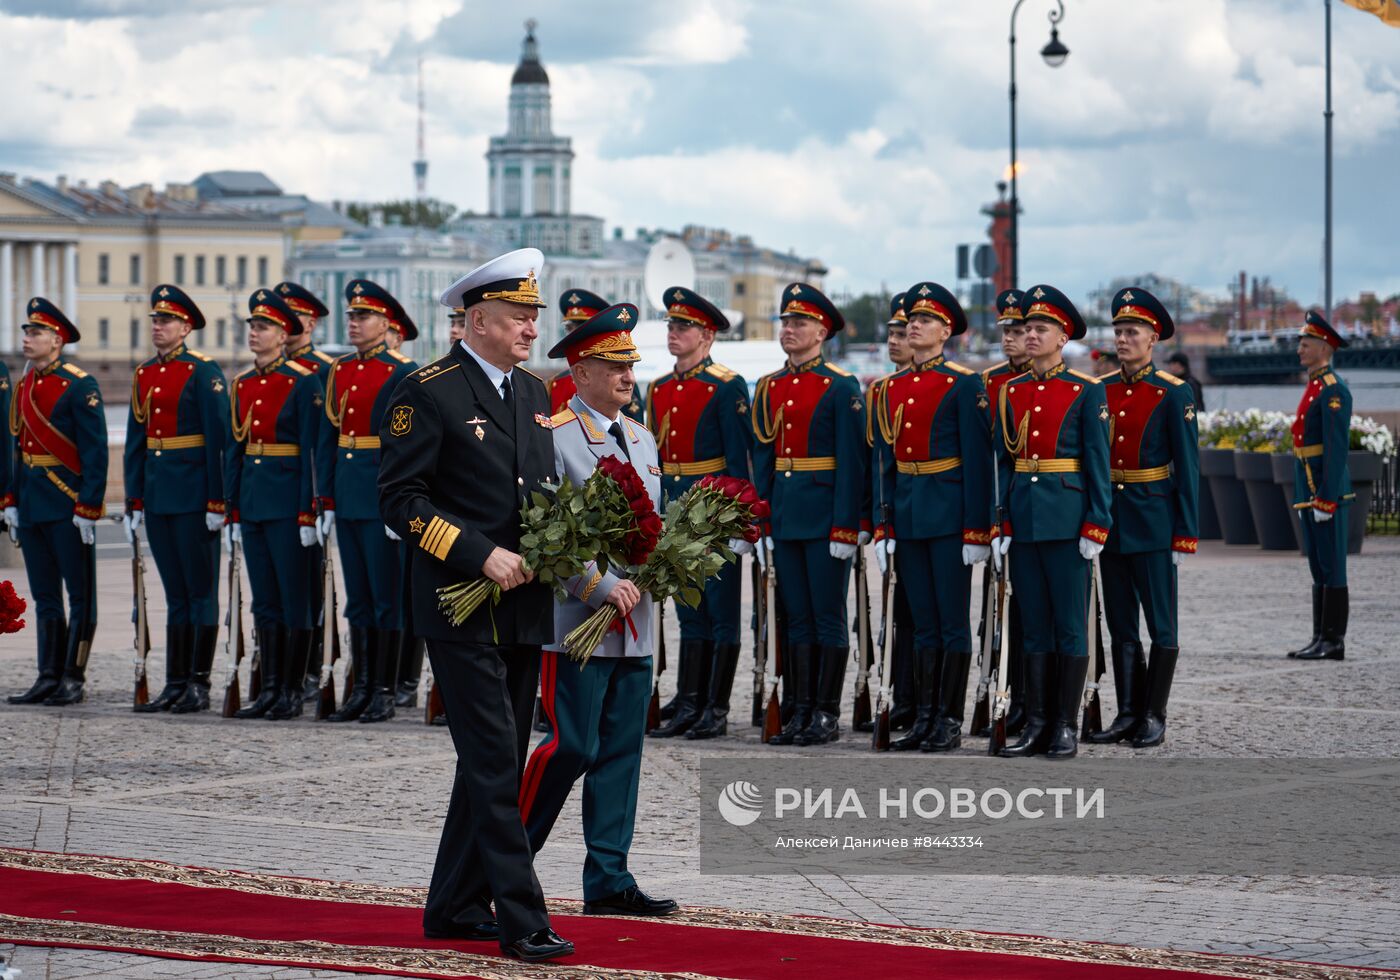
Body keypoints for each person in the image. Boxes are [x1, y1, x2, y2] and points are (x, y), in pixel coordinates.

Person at [378, 248, 571, 963]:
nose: (530, 329)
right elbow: (401, 501)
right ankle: (521, 918)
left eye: (532, 316)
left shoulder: (531, 393)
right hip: (459, 604)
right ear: (478, 320)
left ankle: (455, 906)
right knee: (494, 761)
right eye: (520, 317)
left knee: (495, 758)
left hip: (523, 603)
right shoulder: (427, 390)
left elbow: (538, 497)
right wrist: (475, 552)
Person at [519, 302, 677, 918]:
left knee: (620, 754)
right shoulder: (555, 435)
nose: (627, 377)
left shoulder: (640, 437)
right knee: (571, 747)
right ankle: (505, 862)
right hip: (578, 621)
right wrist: (595, 583)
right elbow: (542, 527)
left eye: (630, 366)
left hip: (635, 625)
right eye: (613, 366)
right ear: (580, 372)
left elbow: (650, 526)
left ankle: (609, 880)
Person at [871, 283, 993, 752]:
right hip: (910, 512)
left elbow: (977, 461)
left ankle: (948, 719)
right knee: (921, 623)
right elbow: (887, 465)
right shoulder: (892, 387)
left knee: (951, 622)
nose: (913, 326)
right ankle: (923, 716)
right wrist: (885, 527)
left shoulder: (963, 383)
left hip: (948, 514)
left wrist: (976, 529)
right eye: (911, 320)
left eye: (925, 321)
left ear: (946, 332)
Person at [991, 285, 1111, 760]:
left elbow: (1097, 463)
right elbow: (1004, 462)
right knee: (1034, 627)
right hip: (1024, 520)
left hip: (1067, 520)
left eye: (1042, 329)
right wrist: (999, 523)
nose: (1032, 335)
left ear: (1063, 338)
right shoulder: (1011, 392)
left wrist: (1096, 524)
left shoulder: (1085, 391)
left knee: (1069, 627)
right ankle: (1037, 723)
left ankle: (1065, 724)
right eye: (1028, 328)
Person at [752, 282, 866, 746]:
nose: (789, 330)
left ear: (822, 331)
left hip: (824, 517)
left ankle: (825, 711)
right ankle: (798, 708)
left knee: (827, 616)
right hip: (785, 513)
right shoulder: (769, 386)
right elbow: (762, 461)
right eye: (785, 322)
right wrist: (758, 520)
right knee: (794, 616)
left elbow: (852, 464)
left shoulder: (840, 387)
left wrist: (846, 525)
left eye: (799, 323)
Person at [1089, 287, 1198, 748]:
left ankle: (1155, 713)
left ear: (1153, 338)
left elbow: (1188, 467)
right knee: (1120, 624)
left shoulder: (1173, 393)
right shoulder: (1103, 389)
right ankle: (1128, 711)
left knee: (1161, 623)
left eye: (1131, 331)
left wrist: (1185, 532)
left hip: (1153, 517)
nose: (1122, 338)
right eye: (1117, 330)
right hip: (1112, 520)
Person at [644, 286, 751, 740]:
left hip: (714, 509)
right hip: (676, 510)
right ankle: (689, 700)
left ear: (707, 336)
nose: (674, 333)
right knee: (689, 611)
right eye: (671, 325)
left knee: (720, 611)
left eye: (683, 327)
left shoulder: (726, 386)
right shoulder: (660, 387)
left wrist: (741, 521)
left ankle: (715, 706)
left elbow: (739, 459)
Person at [125, 285, 230, 714]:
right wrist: (134, 499)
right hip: (158, 496)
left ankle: (199, 682)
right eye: (154, 320)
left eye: (165, 321)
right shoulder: (145, 373)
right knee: (174, 594)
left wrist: (216, 501)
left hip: (193, 497)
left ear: (186, 327)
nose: (157, 327)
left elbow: (218, 441)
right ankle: (175, 681)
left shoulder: (203, 372)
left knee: (199, 592)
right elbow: (137, 441)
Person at [320, 281, 418, 723]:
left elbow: (406, 444)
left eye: (363, 317)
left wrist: (398, 502)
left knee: (386, 599)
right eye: (352, 317)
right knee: (356, 598)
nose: (354, 324)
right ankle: (359, 688)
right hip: (346, 494)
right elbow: (328, 438)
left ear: (386, 323)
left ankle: (384, 688)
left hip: (380, 499)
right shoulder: (339, 370)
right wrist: (323, 500)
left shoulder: (402, 370)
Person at [5, 298, 106, 706]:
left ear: (57, 340)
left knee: (80, 596)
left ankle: (73, 675)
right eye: (27, 332)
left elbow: (95, 452)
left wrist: (89, 505)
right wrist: (10, 498)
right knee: (45, 595)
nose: (27, 339)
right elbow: (17, 446)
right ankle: (47, 674)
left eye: (36, 333)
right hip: (32, 504)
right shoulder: (26, 384)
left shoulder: (80, 384)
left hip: (67, 504)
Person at [227, 289, 322, 721]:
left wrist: (308, 511)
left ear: (284, 334)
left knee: (294, 599)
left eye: (262, 327)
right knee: (263, 600)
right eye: (251, 326)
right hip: (253, 502)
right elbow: (236, 451)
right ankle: (268, 689)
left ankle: (290, 689)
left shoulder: (303, 381)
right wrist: (230, 508)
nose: (254, 333)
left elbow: (311, 453)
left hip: (288, 505)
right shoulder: (243, 384)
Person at [276, 281, 337, 703]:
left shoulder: (322, 370)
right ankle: (279, 668)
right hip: (277, 493)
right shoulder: (270, 369)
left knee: (313, 586)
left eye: (293, 317)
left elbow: (321, 444)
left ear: (310, 322)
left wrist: (318, 502)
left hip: (309, 493)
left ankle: (315, 664)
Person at [977, 289, 1031, 737]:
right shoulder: (991, 382)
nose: (1010, 340)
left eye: (1018, 331)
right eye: (1007, 332)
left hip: (1033, 508)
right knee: (996, 612)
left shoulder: (1041, 382)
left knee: (1031, 614)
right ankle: (1003, 696)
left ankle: (1033, 701)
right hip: (998, 508)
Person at [1286, 311, 1352, 662]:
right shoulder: (1314, 386)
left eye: (1306, 343)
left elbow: (1335, 447)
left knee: (1333, 565)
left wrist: (1326, 497)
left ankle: (1333, 640)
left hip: (1326, 490)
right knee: (1318, 565)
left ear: (1324, 347)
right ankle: (1319, 636)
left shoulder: (1332, 390)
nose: (1300, 349)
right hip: (1309, 487)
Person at [870, 294, 915, 730]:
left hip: (927, 516)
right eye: (893, 333)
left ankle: (920, 702)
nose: (896, 341)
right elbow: (879, 468)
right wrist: (879, 523)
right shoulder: (883, 391)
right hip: (899, 516)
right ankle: (903, 700)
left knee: (924, 619)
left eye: (904, 333)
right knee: (900, 618)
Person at [546, 289, 645, 423]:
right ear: (581, 373)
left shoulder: (624, 382)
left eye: (583, 328)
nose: (575, 335)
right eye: (570, 329)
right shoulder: (555, 384)